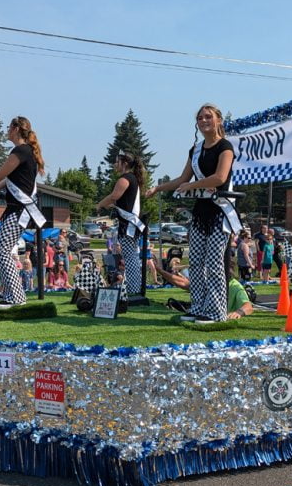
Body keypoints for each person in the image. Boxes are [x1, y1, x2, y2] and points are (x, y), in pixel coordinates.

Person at [146, 103, 237, 324]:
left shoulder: (225, 147)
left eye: (208, 117)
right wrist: (158, 188)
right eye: (200, 118)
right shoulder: (195, 150)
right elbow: (182, 179)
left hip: (220, 212)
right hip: (200, 212)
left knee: (214, 263)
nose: (204, 121)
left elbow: (220, 177)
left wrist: (192, 186)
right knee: (195, 261)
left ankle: (216, 312)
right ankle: (198, 307)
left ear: (218, 121)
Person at [0, 116, 46, 309]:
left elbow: (0, 173)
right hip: (16, 209)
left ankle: (16, 296)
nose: (7, 130)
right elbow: (8, 181)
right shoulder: (26, 152)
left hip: (19, 210)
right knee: (2, 250)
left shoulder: (21, 151)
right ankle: (10, 294)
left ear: (16, 129)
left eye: (9, 127)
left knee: (3, 250)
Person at [96, 150, 146, 295]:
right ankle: (134, 287)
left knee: (130, 258)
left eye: (117, 161)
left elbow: (114, 196)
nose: (114, 164)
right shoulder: (132, 178)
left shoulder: (125, 178)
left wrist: (99, 204)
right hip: (130, 223)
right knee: (131, 257)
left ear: (124, 163)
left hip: (129, 225)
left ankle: (134, 289)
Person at [152, 255, 253, 321]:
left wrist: (238, 312)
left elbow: (248, 306)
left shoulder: (235, 286)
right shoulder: (208, 281)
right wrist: (160, 270)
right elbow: (183, 283)